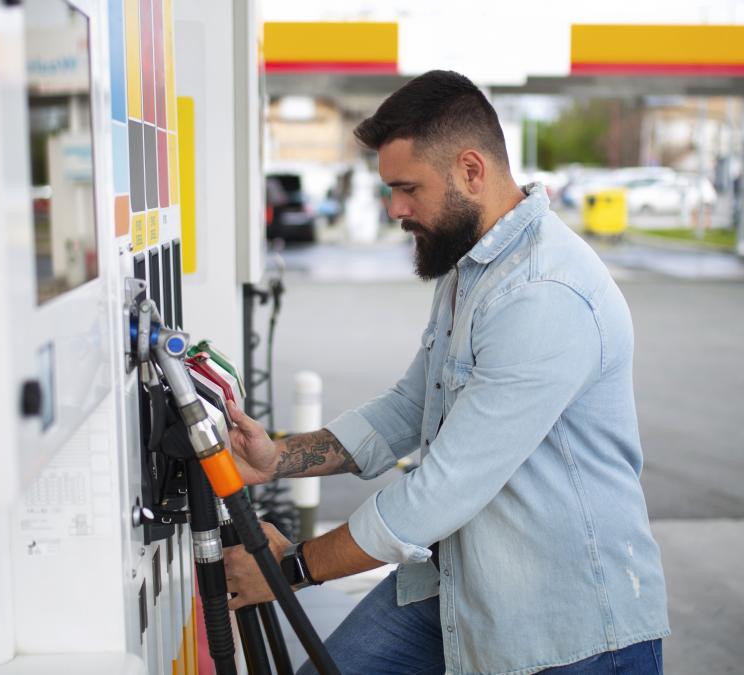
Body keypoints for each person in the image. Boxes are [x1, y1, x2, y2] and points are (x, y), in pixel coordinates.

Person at [223, 70, 669, 675]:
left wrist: (292, 567)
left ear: (470, 170)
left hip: (565, 629)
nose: (395, 209)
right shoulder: (472, 265)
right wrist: (279, 458)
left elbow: (445, 488)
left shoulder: (544, 293)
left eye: (407, 188)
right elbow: (411, 405)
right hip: (455, 582)